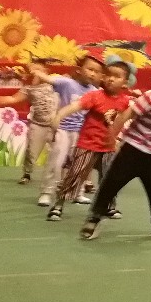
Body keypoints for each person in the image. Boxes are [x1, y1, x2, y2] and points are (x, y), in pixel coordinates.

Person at [80, 59, 151, 240]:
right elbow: (126, 115)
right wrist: (112, 136)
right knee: (111, 185)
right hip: (132, 150)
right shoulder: (150, 98)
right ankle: (94, 217)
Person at [46, 61, 131, 222]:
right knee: (75, 175)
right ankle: (58, 205)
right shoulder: (95, 96)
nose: (111, 79)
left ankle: (108, 206)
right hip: (87, 144)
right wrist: (59, 115)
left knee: (110, 178)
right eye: (108, 75)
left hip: (108, 147)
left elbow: (129, 119)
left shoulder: (125, 101)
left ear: (125, 82)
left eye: (117, 76)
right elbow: (75, 106)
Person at [36, 55, 102, 207]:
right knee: (56, 161)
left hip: (81, 133)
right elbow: (49, 79)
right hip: (63, 129)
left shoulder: (94, 92)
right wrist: (37, 72)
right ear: (79, 70)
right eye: (90, 69)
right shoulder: (67, 83)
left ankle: (77, 192)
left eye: (96, 72)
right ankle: (47, 192)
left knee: (79, 164)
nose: (92, 74)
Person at [0, 58, 58, 186]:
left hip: (56, 125)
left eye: (38, 70)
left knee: (61, 151)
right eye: (33, 70)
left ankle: (61, 177)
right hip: (38, 125)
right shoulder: (29, 89)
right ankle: (27, 174)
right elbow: (13, 98)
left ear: (45, 71)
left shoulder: (55, 83)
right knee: (31, 152)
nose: (35, 72)